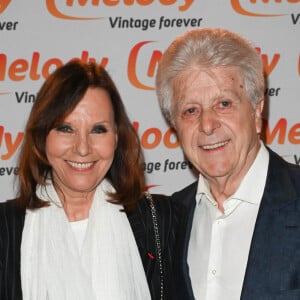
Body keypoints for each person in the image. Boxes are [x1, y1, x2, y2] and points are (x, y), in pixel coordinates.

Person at [0, 60, 176, 300]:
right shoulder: (4, 228)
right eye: (65, 128)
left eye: (98, 129)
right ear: (42, 136)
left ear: (116, 136)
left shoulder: (163, 220)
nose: (82, 148)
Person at [155, 27, 300, 300]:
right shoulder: (168, 222)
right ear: (174, 125)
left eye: (223, 103)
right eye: (190, 110)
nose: (207, 125)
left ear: (257, 111)